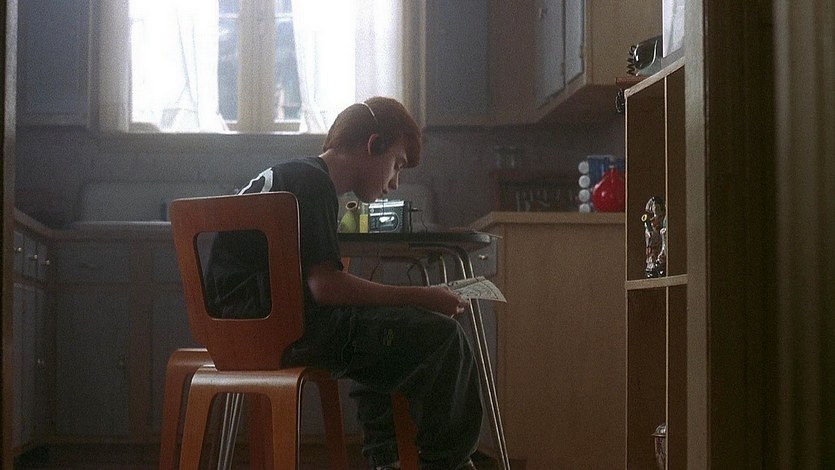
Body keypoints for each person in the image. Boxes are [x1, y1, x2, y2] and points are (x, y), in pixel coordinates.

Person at [204, 97, 483, 470]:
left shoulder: (292, 175)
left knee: (382, 335)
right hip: (282, 330)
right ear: (374, 145)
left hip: (241, 327)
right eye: (397, 164)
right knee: (443, 337)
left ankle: (388, 459)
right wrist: (422, 296)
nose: (395, 183)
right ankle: (447, 464)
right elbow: (326, 288)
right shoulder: (314, 184)